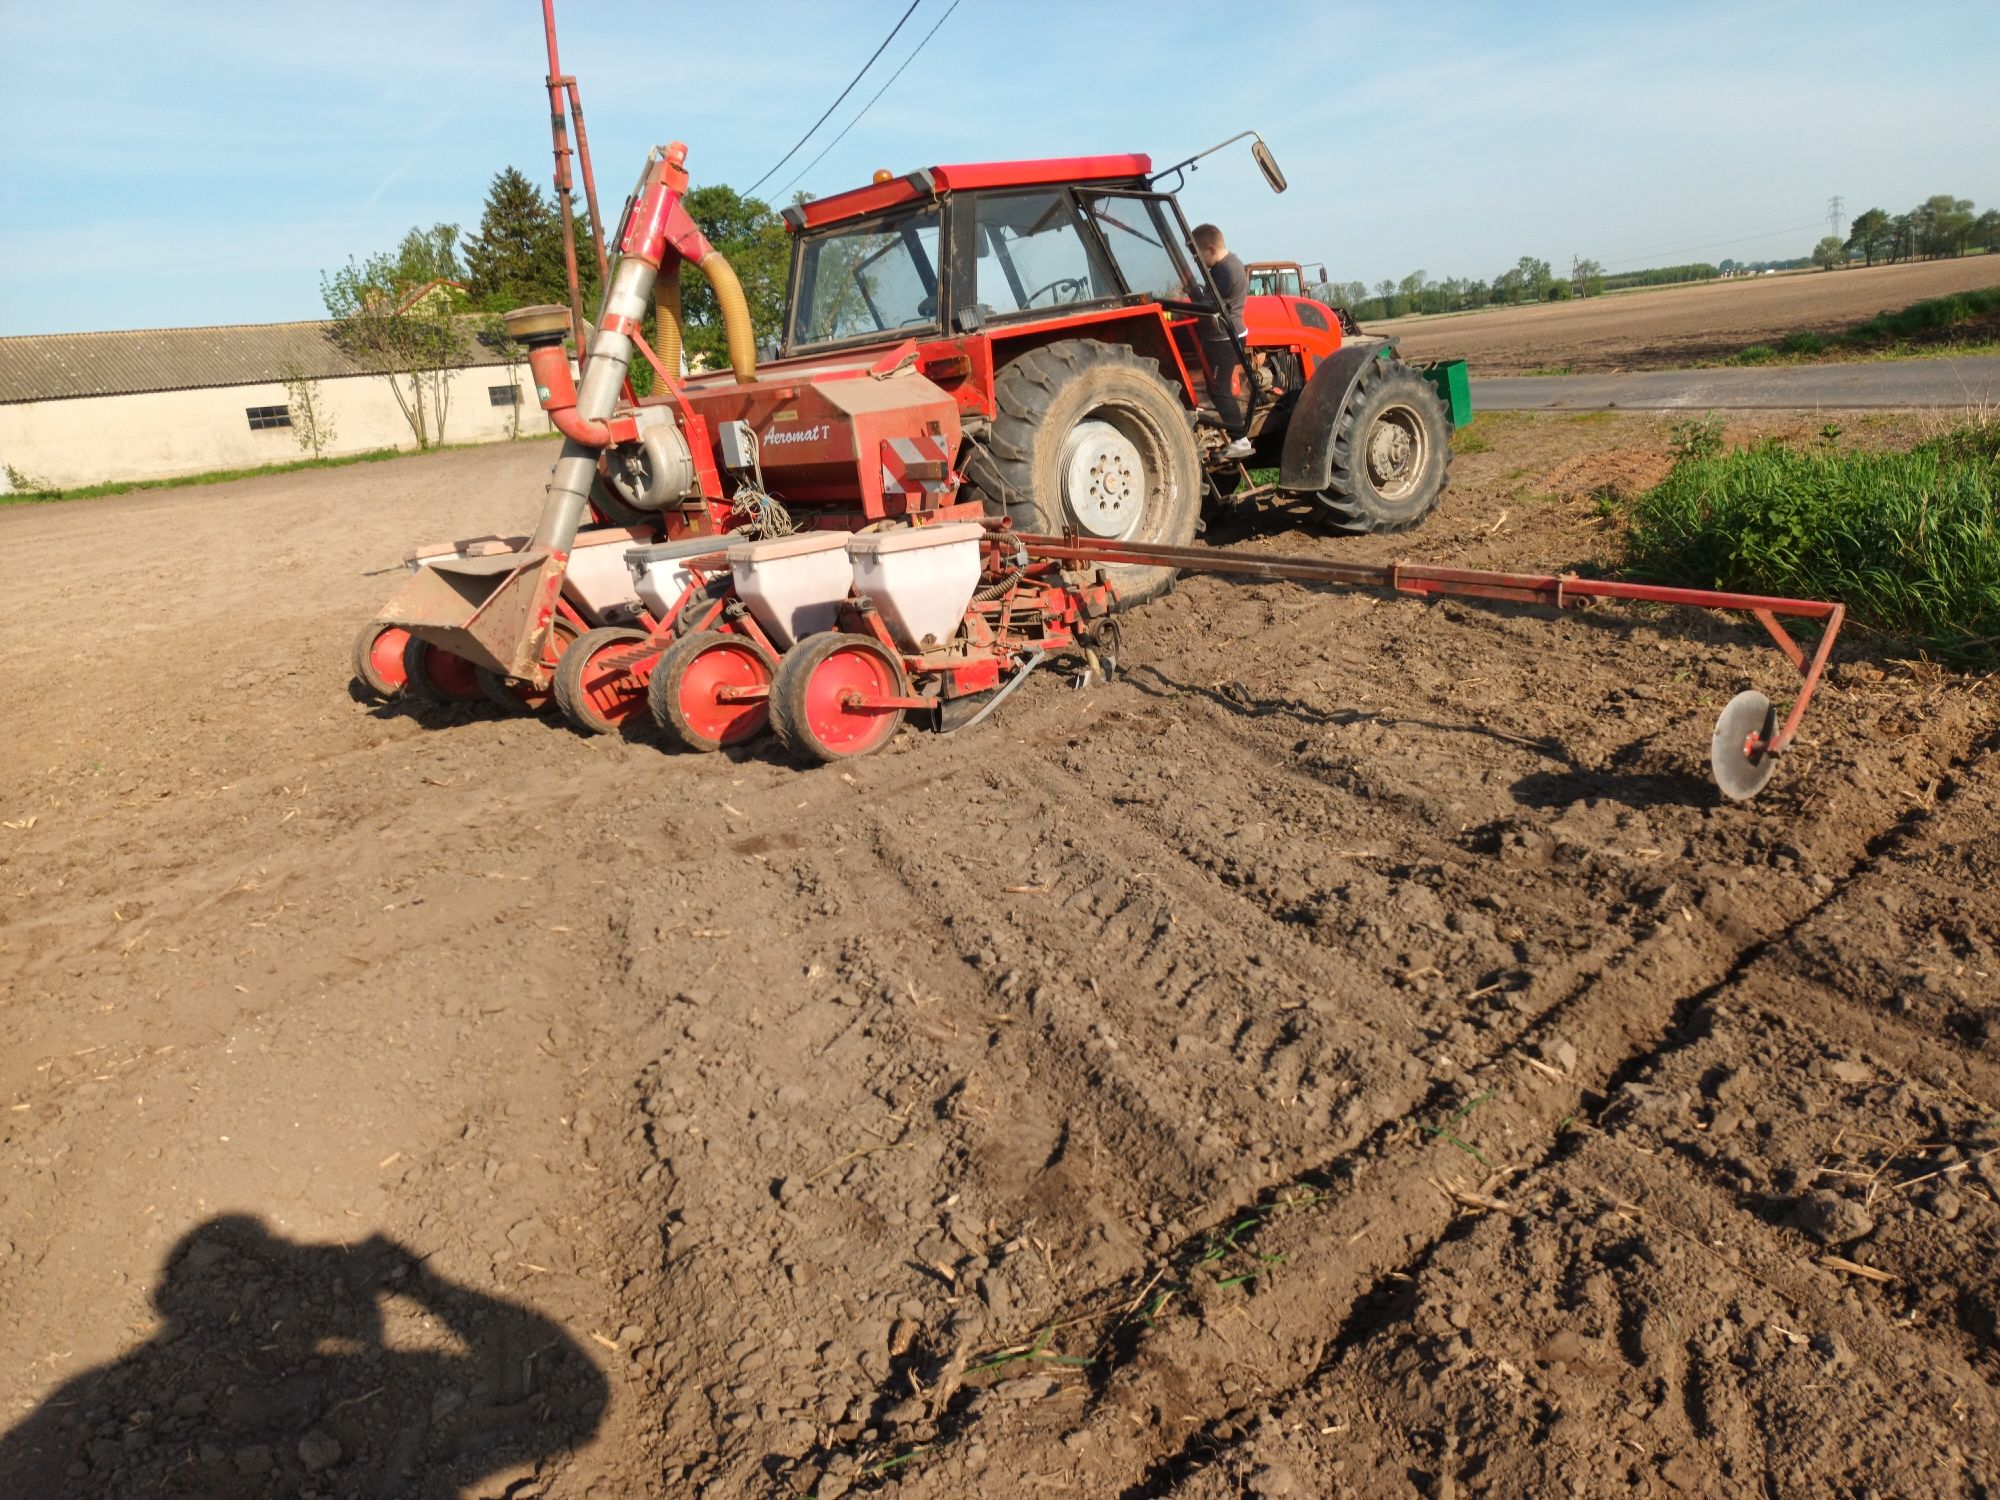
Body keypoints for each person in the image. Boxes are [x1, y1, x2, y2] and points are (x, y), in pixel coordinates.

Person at [1191, 223, 1256, 458]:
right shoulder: (1232, 263)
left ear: (1210, 249)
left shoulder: (1224, 272)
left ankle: (1241, 440)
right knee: (1216, 386)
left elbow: (1208, 306)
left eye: (1199, 256)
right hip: (1227, 334)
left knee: (1219, 389)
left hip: (1223, 337)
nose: (1199, 262)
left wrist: (1190, 288)